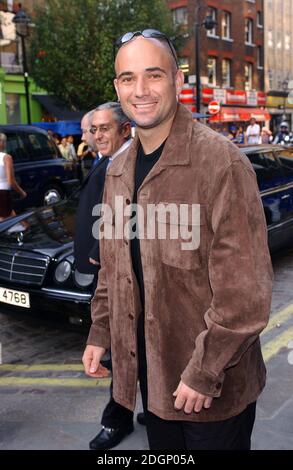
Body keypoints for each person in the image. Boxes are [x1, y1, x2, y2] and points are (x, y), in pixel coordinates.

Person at [82, 30, 273, 450]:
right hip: (153, 384)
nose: (141, 90)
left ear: (178, 81)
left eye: (154, 75)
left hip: (213, 394)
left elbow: (245, 296)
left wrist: (204, 371)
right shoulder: (116, 171)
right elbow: (112, 270)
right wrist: (100, 333)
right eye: (128, 79)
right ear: (117, 88)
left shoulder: (222, 164)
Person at [76, 103, 137, 451]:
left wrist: (101, 252)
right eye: (93, 129)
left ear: (124, 129)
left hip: (117, 273)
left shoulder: (129, 162)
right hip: (103, 269)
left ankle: (116, 421)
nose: (96, 135)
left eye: (103, 129)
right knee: (127, 349)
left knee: (124, 350)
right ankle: (151, 407)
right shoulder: (109, 159)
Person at [0, 133, 27, 221]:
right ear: (2, 143)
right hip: (3, 193)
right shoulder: (6, 157)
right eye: (4, 142)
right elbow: (11, 181)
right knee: (6, 221)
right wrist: (21, 192)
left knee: (11, 219)